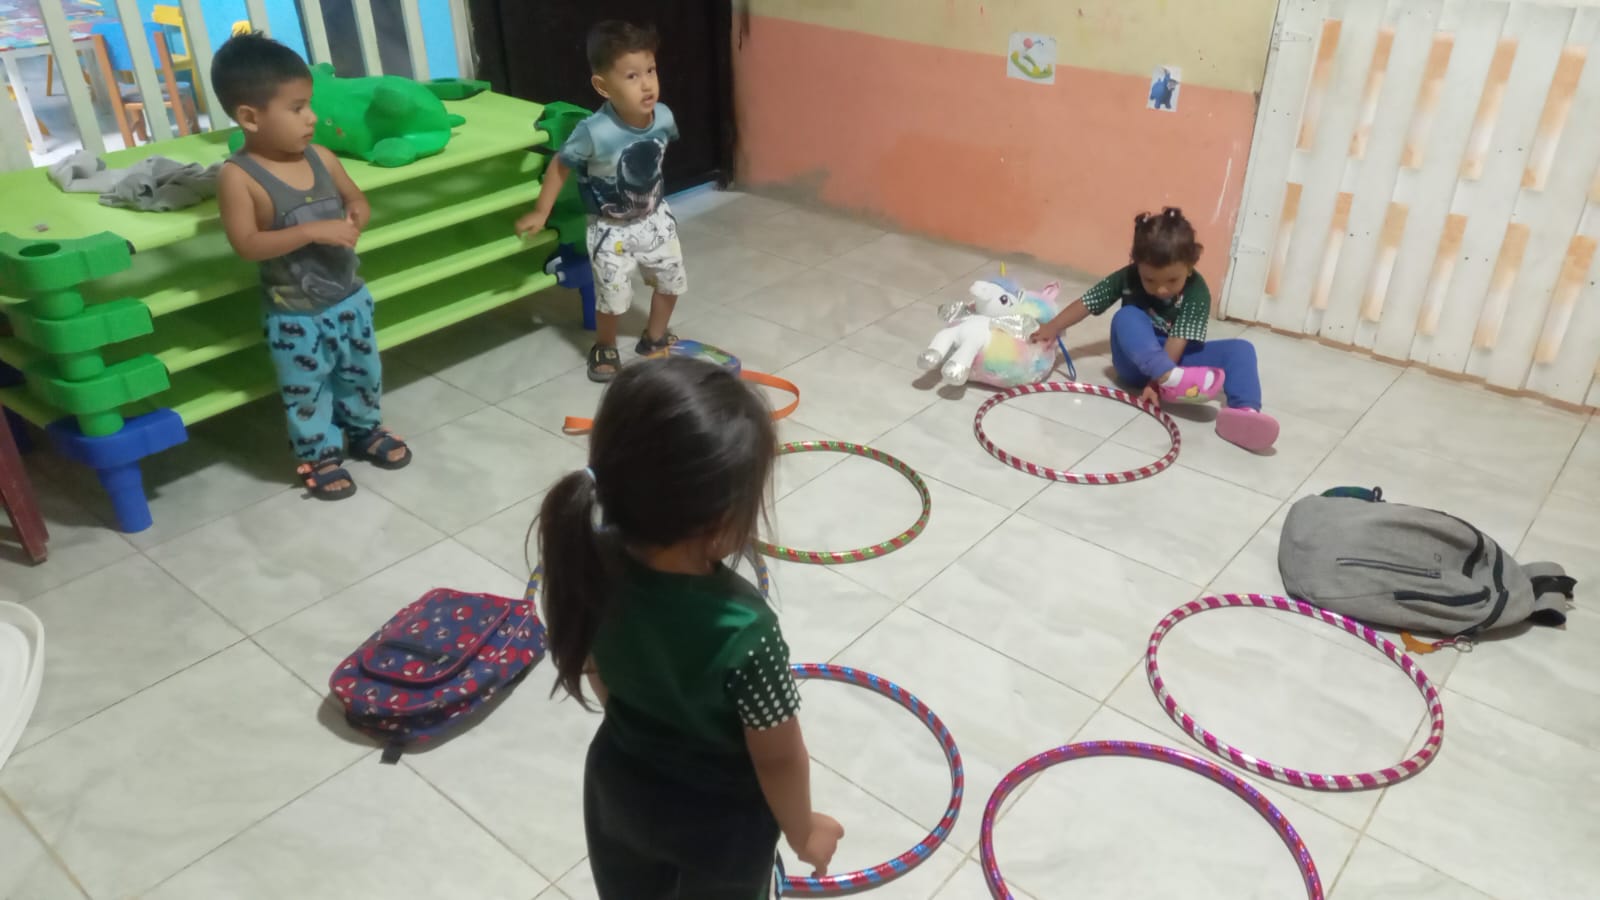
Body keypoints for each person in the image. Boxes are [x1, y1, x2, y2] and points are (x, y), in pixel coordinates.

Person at [536, 356, 844, 898]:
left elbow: (601, 674)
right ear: (721, 521)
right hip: (723, 829)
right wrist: (804, 832)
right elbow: (777, 757)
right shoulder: (747, 631)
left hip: (618, 792)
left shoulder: (586, 562)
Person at [212, 32, 411, 499]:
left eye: (310, 105)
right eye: (297, 108)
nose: (312, 118)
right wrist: (310, 232)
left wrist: (357, 213)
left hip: (350, 298)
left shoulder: (322, 157)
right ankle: (318, 455)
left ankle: (364, 429)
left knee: (362, 371)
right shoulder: (239, 177)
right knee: (307, 389)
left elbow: (355, 198)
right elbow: (247, 244)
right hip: (295, 316)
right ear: (250, 117)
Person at [514, 20, 686, 383]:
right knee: (612, 295)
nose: (647, 84)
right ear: (603, 86)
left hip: (655, 219)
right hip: (610, 229)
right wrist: (542, 211)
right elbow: (560, 165)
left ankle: (655, 337)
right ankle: (605, 345)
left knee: (671, 281)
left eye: (651, 71)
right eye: (632, 76)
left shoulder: (664, 117)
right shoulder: (593, 131)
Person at [1034, 207, 1280, 451]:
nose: (1161, 289)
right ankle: (1168, 376)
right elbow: (1088, 302)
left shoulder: (1197, 291)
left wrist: (1156, 382)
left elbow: (1178, 338)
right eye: (1149, 280)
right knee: (1126, 316)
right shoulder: (1128, 277)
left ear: (1190, 266)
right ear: (1137, 265)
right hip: (1133, 362)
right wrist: (1053, 326)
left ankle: (1245, 413)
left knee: (1241, 349)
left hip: (1174, 358)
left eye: (1172, 280)